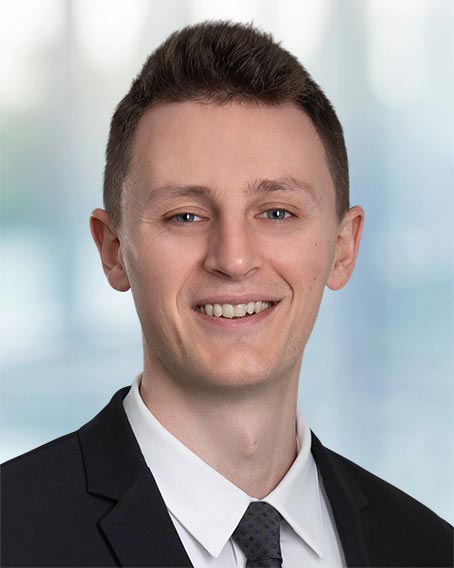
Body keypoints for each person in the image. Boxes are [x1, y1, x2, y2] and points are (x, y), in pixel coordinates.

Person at [1, 20, 451, 568]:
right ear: (113, 250)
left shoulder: (430, 549)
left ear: (343, 248)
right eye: (185, 216)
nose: (234, 259)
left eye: (277, 213)